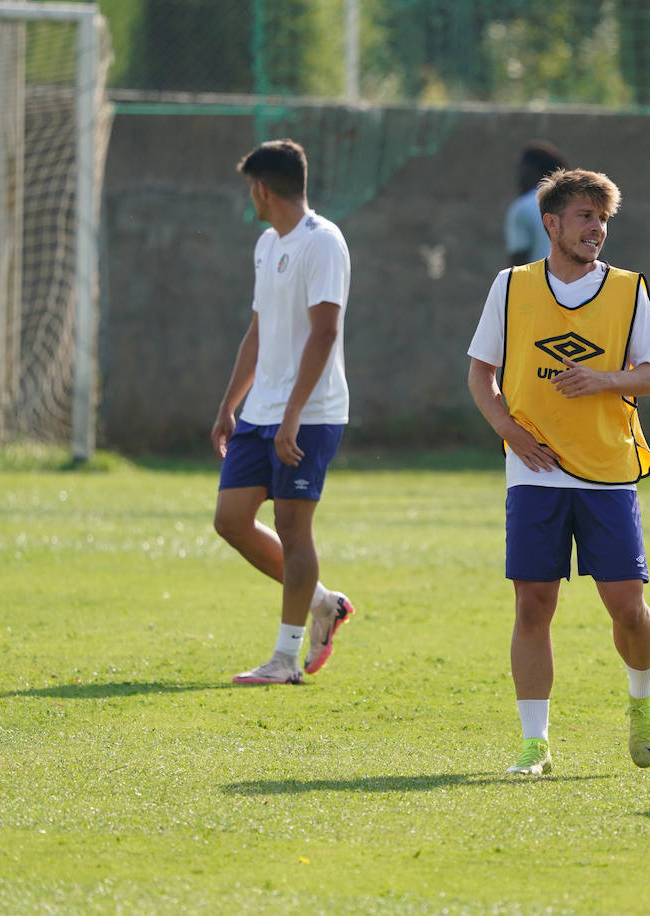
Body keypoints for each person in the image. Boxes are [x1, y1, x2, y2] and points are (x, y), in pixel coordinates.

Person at [467, 168, 650, 776]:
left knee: (626, 607)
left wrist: (605, 379)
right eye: (585, 217)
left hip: (608, 469)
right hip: (535, 472)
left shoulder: (629, 290)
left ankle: (642, 700)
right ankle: (535, 745)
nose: (598, 229)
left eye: (603, 218)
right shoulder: (510, 287)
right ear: (550, 223)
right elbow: (482, 374)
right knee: (533, 605)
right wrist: (511, 433)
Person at [210, 138, 356, 685]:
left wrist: (293, 413)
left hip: (311, 413)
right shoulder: (266, 244)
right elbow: (259, 330)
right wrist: (231, 404)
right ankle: (322, 602)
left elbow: (325, 332)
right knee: (230, 520)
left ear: (263, 188)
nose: (252, 198)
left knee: (294, 530)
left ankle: (286, 659)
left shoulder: (324, 244)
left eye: (252, 189)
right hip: (260, 411)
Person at [504, 141, 568, 265]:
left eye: (520, 171)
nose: (518, 179)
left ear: (531, 170)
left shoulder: (523, 208)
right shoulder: (577, 205)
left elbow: (518, 264)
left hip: (539, 283)